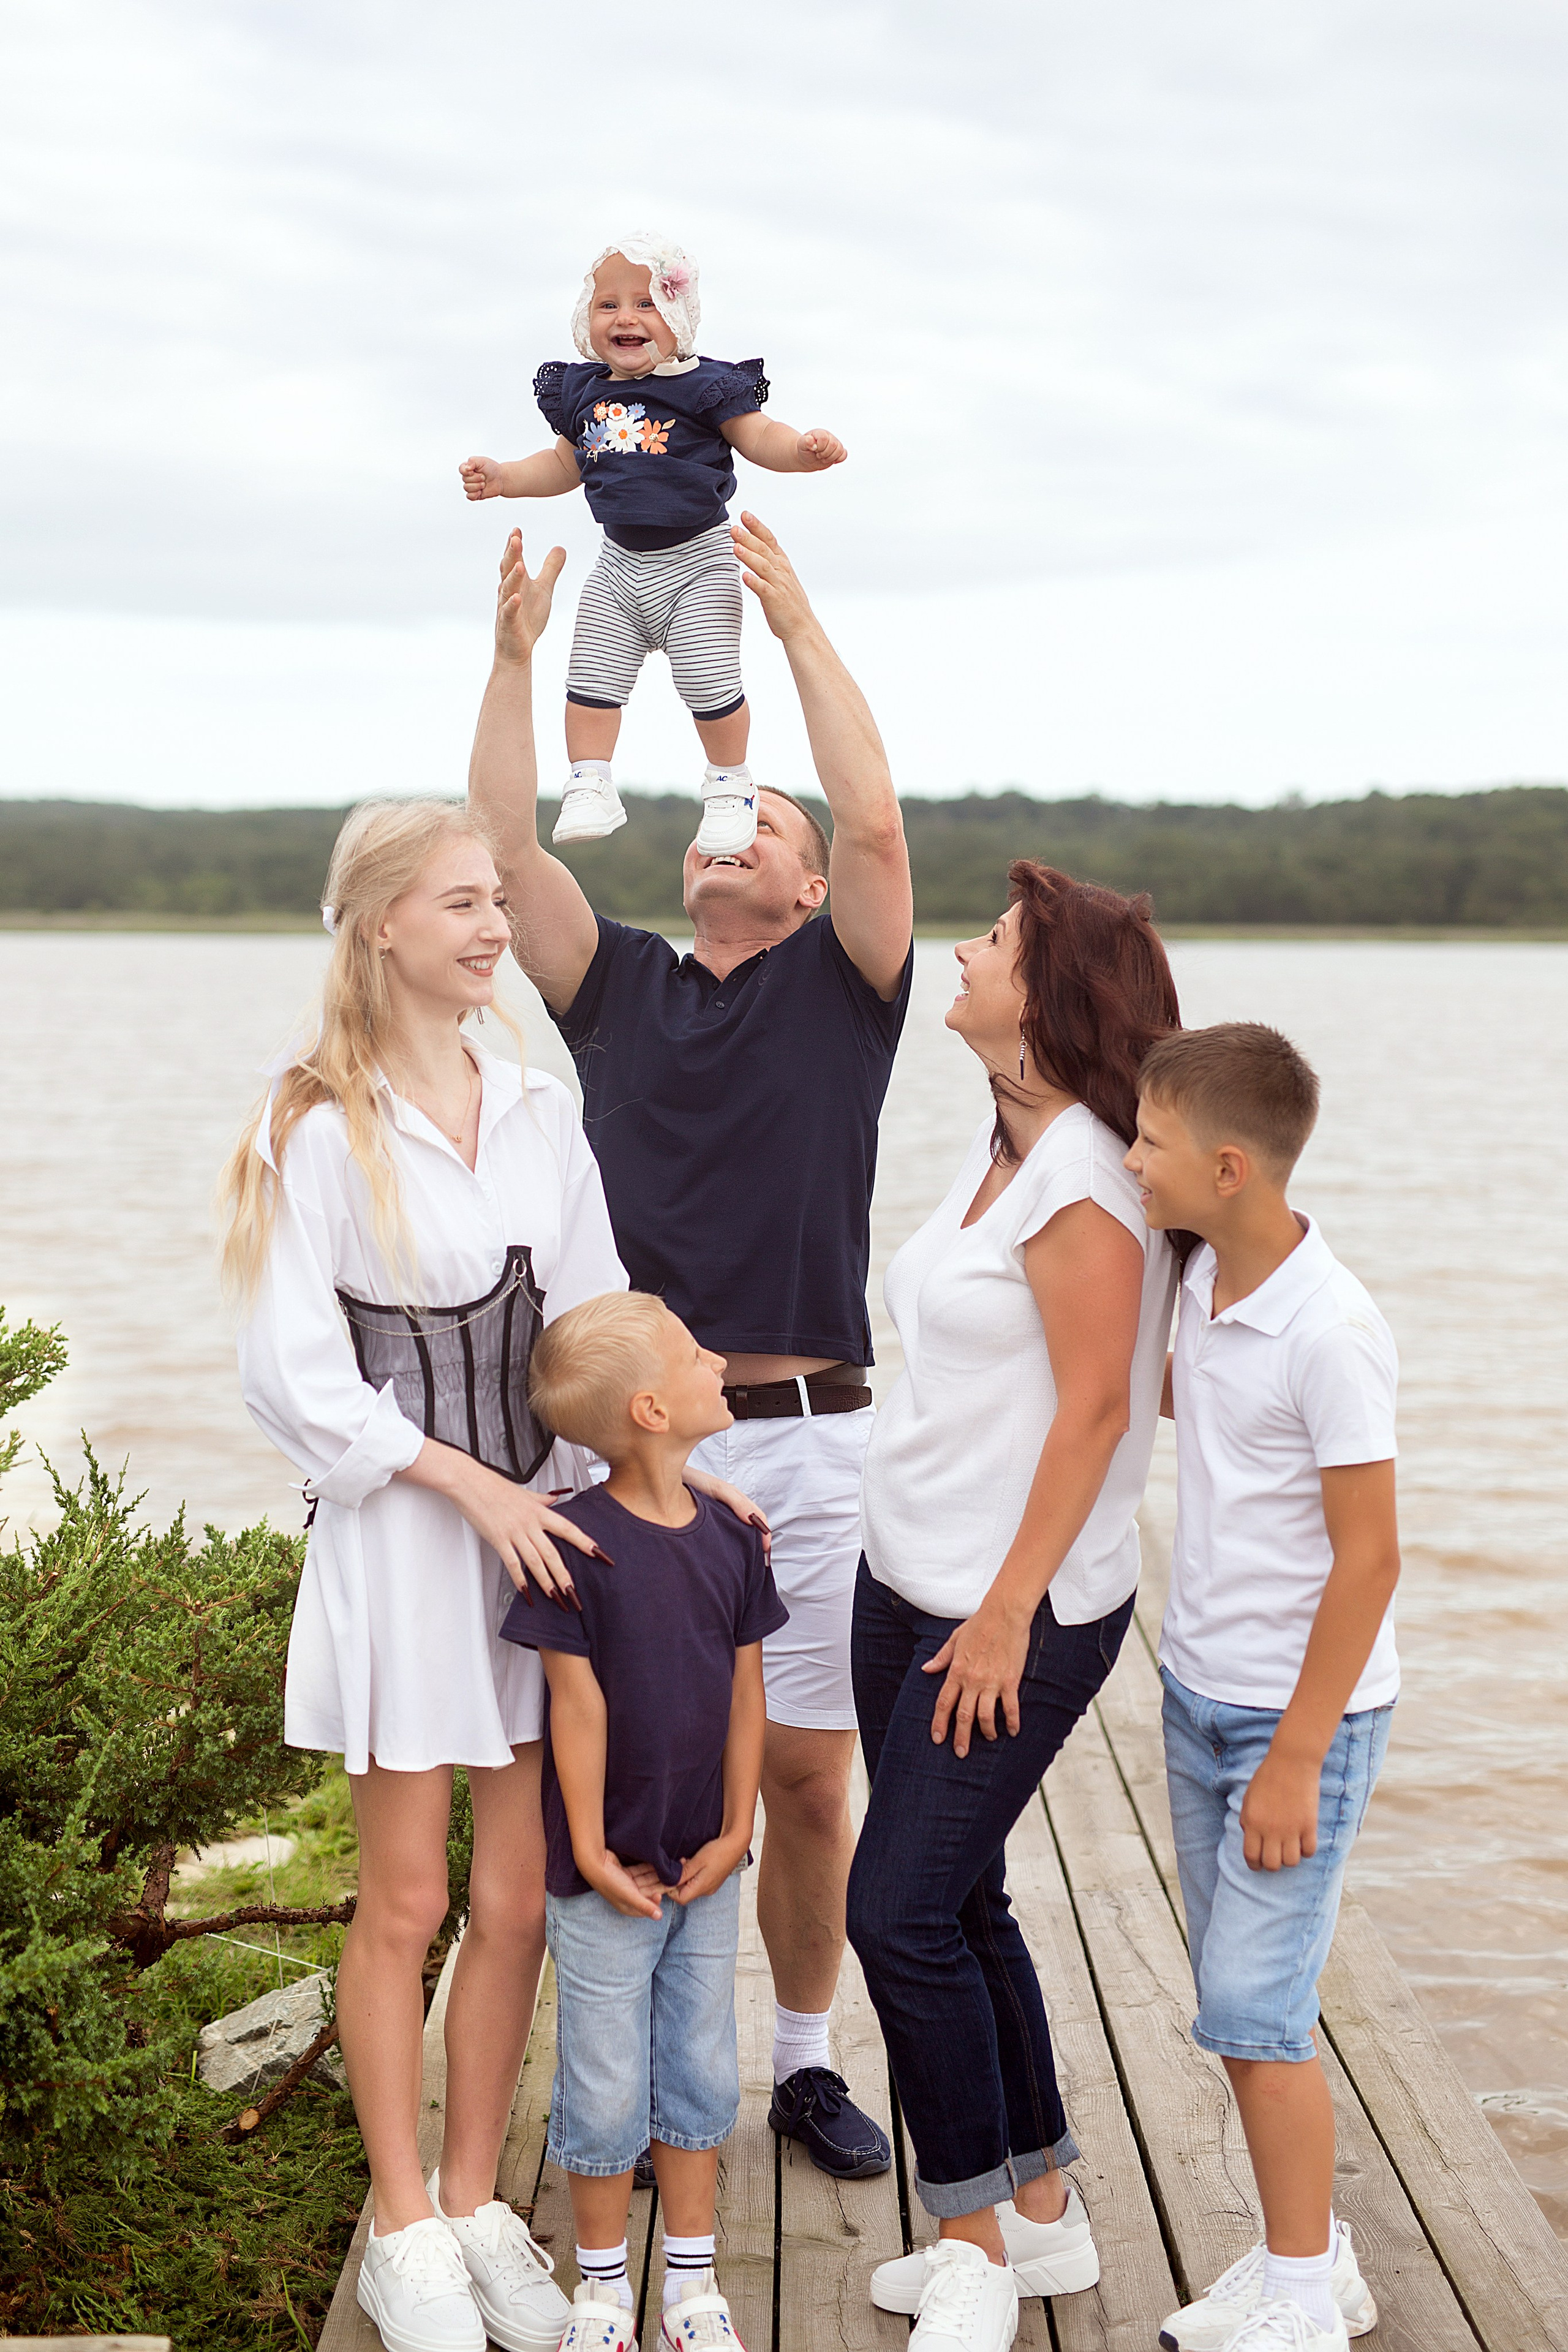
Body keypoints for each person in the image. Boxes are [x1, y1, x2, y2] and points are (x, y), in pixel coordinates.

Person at [223, 800, 760, 2352]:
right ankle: (402, 2226)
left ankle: (473, 2199)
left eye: (494, 902)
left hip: (544, 1542)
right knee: (405, 1896)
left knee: (516, 1895)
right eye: (457, 901)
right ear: (379, 923)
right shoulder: (311, 1125)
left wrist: (668, 1468)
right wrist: (465, 1482)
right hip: (405, 1541)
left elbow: (595, 1330)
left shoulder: (535, 1106)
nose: (488, 926)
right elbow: (294, 1379)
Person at [469, 513, 912, 2182]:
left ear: (803, 884)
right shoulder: (621, 986)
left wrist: (793, 619)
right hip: (629, 1446)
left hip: (803, 1431)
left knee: (801, 1782)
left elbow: (870, 812)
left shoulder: (848, 988)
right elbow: (503, 850)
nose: (737, 828)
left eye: (764, 821)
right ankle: (646, 2072)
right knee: (641, 1764)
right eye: (720, 813)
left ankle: (797, 2062)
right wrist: (518, 661)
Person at [846, 864, 1183, 2352]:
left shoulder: (1085, 1173)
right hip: (903, 1573)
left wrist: (1001, 1615)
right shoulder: (1003, 1137)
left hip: (1004, 1610)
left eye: (990, 943)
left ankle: (970, 2245)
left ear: (1047, 1000)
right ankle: (1039, 2213)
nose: (960, 954)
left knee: (895, 1910)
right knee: (959, 1894)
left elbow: (1102, 1407)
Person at [1125, 1025, 1400, 2352]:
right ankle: (1316, 2261)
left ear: (1226, 1167)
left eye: (1148, 1144)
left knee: (1254, 2008)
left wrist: (1294, 1754)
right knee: (1241, 2005)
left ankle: (1299, 2297)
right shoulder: (1202, 1279)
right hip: (1195, 1691)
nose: (1130, 1162)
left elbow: (1370, 1558)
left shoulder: (1330, 1327)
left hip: (1302, 1720)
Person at [500, 1289, 787, 2352]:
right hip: (606, 1873)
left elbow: (749, 1694)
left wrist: (736, 1828)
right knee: (604, 2076)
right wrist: (583, 1846)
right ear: (654, 1411)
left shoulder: (732, 1536)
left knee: (704, 2062)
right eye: (692, 1352)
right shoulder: (578, 1546)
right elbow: (574, 1704)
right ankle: (602, 2293)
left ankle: (694, 2290)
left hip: (708, 1862)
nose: (718, 1357)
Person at [460, 230, 846, 856]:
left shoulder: (704, 387)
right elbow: (565, 465)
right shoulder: (583, 391)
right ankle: (589, 780)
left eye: (645, 303)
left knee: (707, 677)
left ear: (677, 317)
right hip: (618, 565)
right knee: (589, 674)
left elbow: (761, 437)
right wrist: (505, 479)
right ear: (587, 320)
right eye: (607, 304)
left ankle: (728, 785)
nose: (625, 317)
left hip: (697, 561)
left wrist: (803, 452)